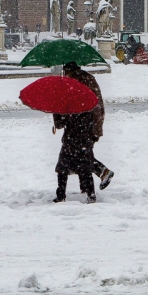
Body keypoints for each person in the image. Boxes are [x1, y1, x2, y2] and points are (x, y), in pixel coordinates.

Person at [52, 62, 114, 203]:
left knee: (66, 164)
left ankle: (63, 195)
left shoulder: (72, 85)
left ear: (68, 71)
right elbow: (97, 106)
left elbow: (63, 119)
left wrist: (56, 113)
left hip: (76, 132)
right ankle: (88, 190)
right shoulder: (87, 79)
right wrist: (96, 129)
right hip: (89, 128)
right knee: (83, 160)